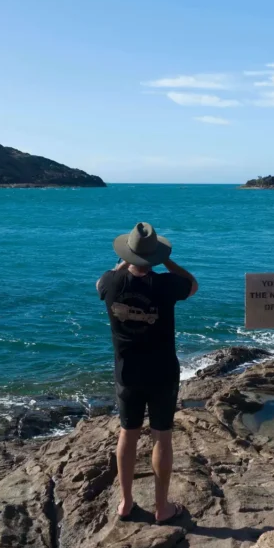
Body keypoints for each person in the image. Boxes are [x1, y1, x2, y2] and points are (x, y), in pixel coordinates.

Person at [96, 222, 198, 524]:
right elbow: (192, 284)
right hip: (162, 370)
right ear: (154, 257)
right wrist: (164, 260)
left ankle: (126, 504)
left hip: (127, 371)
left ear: (127, 253)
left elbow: (103, 281)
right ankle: (161, 508)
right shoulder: (167, 284)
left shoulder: (110, 283)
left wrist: (127, 261)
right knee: (161, 437)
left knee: (128, 433)